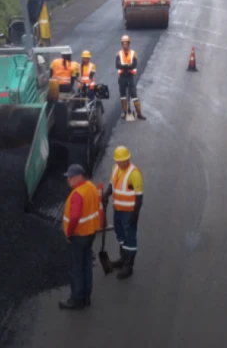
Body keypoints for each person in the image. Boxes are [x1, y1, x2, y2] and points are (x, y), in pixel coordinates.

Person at [59, 164, 101, 310]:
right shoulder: (91, 187)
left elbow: (75, 216)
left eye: (70, 177)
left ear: (78, 177)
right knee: (86, 265)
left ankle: (76, 299)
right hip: (90, 233)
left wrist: (69, 233)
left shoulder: (77, 194)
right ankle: (86, 297)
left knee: (76, 268)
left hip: (78, 236)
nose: (68, 180)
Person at [101, 146, 144, 279]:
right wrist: (106, 194)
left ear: (128, 158)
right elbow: (112, 185)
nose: (123, 163)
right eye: (120, 161)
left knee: (130, 238)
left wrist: (135, 215)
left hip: (129, 213)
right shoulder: (115, 169)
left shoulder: (134, 173)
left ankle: (128, 266)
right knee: (120, 235)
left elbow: (139, 196)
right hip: (117, 211)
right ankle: (123, 259)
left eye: (125, 160)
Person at [115, 35, 145, 120]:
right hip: (122, 77)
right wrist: (128, 66)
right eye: (123, 43)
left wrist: (124, 66)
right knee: (123, 96)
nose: (125, 45)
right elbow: (117, 65)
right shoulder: (119, 54)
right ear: (122, 44)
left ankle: (139, 113)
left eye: (126, 43)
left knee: (134, 95)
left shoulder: (133, 53)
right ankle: (124, 113)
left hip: (130, 76)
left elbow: (134, 64)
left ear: (128, 44)